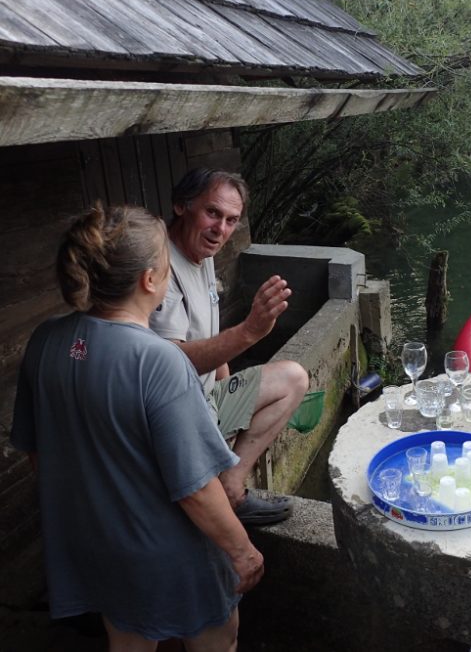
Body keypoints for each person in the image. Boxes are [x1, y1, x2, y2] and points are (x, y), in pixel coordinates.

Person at [11, 203, 263, 650]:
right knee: (218, 638)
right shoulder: (157, 360)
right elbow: (196, 488)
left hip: (96, 544)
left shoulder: (45, 339)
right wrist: (242, 550)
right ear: (150, 280)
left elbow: (38, 453)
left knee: (126, 642)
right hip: (167, 554)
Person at [150, 168, 309, 526]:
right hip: (178, 414)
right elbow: (168, 364)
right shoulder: (162, 267)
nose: (220, 230)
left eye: (231, 220)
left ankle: (231, 485)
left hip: (206, 400)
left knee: (293, 378)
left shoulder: (203, 255)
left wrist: (229, 397)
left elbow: (211, 333)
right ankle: (224, 498)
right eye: (212, 213)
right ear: (181, 206)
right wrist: (250, 331)